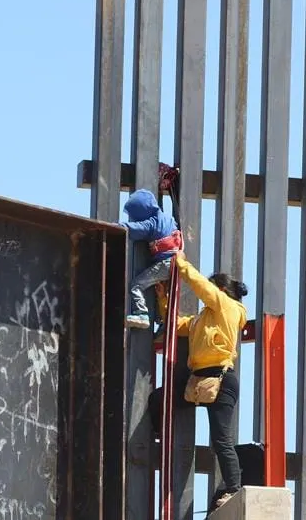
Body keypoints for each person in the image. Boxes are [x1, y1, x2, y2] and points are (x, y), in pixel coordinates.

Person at [148, 251, 248, 511]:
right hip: (200, 380)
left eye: (213, 290)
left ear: (222, 290)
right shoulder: (203, 319)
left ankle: (234, 487)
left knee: (221, 439)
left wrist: (180, 263)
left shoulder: (228, 307)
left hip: (221, 380)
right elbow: (177, 325)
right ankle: (158, 435)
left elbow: (203, 288)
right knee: (160, 398)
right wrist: (163, 300)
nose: (206, 298)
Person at [119, 189, 183, 329]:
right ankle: (161, 320)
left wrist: (118, 226)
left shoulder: (152, 223)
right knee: (162, 292)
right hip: (176, 264)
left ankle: (141, 314)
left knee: (136, 285)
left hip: (165, 264)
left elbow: (134, 228)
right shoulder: (169, 219)